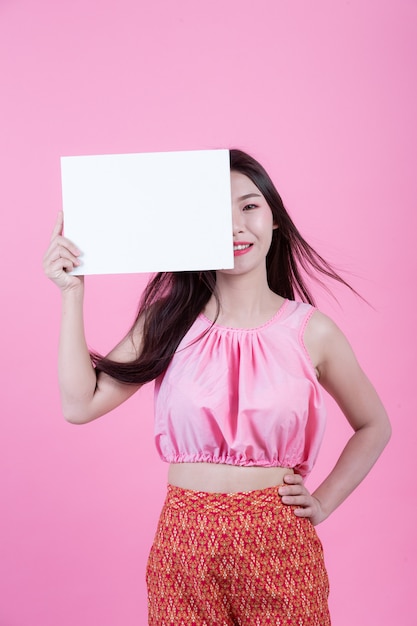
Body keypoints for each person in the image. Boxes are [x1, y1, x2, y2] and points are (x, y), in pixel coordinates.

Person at [43, 149, 391, 626]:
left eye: (249, 206)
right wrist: (72, 295)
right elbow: (79, 404)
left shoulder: (314, 331)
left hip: (278, 538)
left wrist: (325, 500)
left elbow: (374, 425)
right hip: (183, 539)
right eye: (215, 212)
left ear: (275, 219)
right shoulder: (168, 322)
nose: (234, 227)